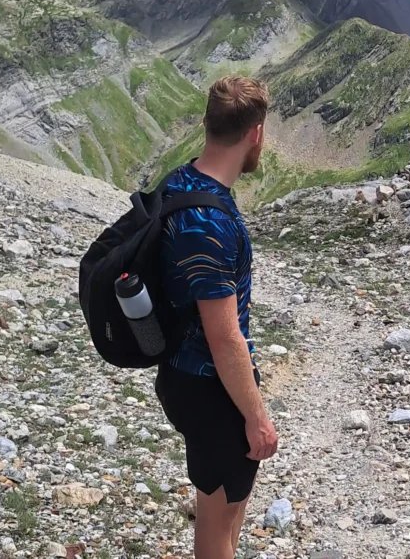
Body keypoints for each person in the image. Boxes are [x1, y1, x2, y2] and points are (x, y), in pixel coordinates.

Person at [154, 75, 278, 559]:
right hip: (211, 387)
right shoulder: (211, 225)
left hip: (184, 376)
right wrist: (256, 416)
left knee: (226, 509)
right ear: (256, 134)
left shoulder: (180, 182)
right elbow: (224, 339)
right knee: (215, 534)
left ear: (206, 124)